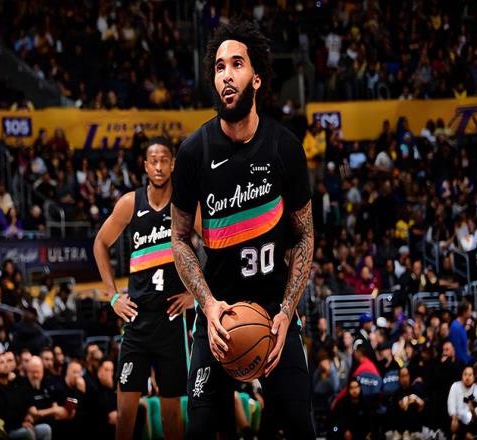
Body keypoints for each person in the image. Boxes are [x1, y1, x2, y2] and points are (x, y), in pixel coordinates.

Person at [171, 19, 315, 439]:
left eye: (236, 64)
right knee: (201, 428)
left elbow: (304, 236)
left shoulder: (285, 147)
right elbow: (179, 237)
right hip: (217, 317)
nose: (226, 75)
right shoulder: (193, 152)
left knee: (300, 426)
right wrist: (208, 305)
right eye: (219, 67)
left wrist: (286, 311)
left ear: (257, 78)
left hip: (273, 315)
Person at [93, 137, 193, 440]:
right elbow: (100, 243)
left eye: (164, 160)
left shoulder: (185, 203)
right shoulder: (130, 203)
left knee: (171, 414)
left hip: (171, 320)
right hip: (137, 320)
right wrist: (113, 296)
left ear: (173, 164)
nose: (159, 166)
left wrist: (195, 295)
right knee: (126, 413)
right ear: (145, 165)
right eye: (154, 161)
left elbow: (215, 245)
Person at [447, 366, 477, 438]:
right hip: (455, 418)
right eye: (465, 374)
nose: (467, 377)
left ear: (474, 377)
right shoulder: (455, 386)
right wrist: (454, 418)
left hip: (470, 422)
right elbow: (451, 404)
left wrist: (473, 411)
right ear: (462, 375)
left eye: (470, 375)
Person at [449, 300, 473, 366]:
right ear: (464, 312)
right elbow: (457, 351)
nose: (471, 313)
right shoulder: (455, 327)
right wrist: (467, 363)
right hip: (461, 364)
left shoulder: (462, 326)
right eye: (470, 310)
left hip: (466, 360)